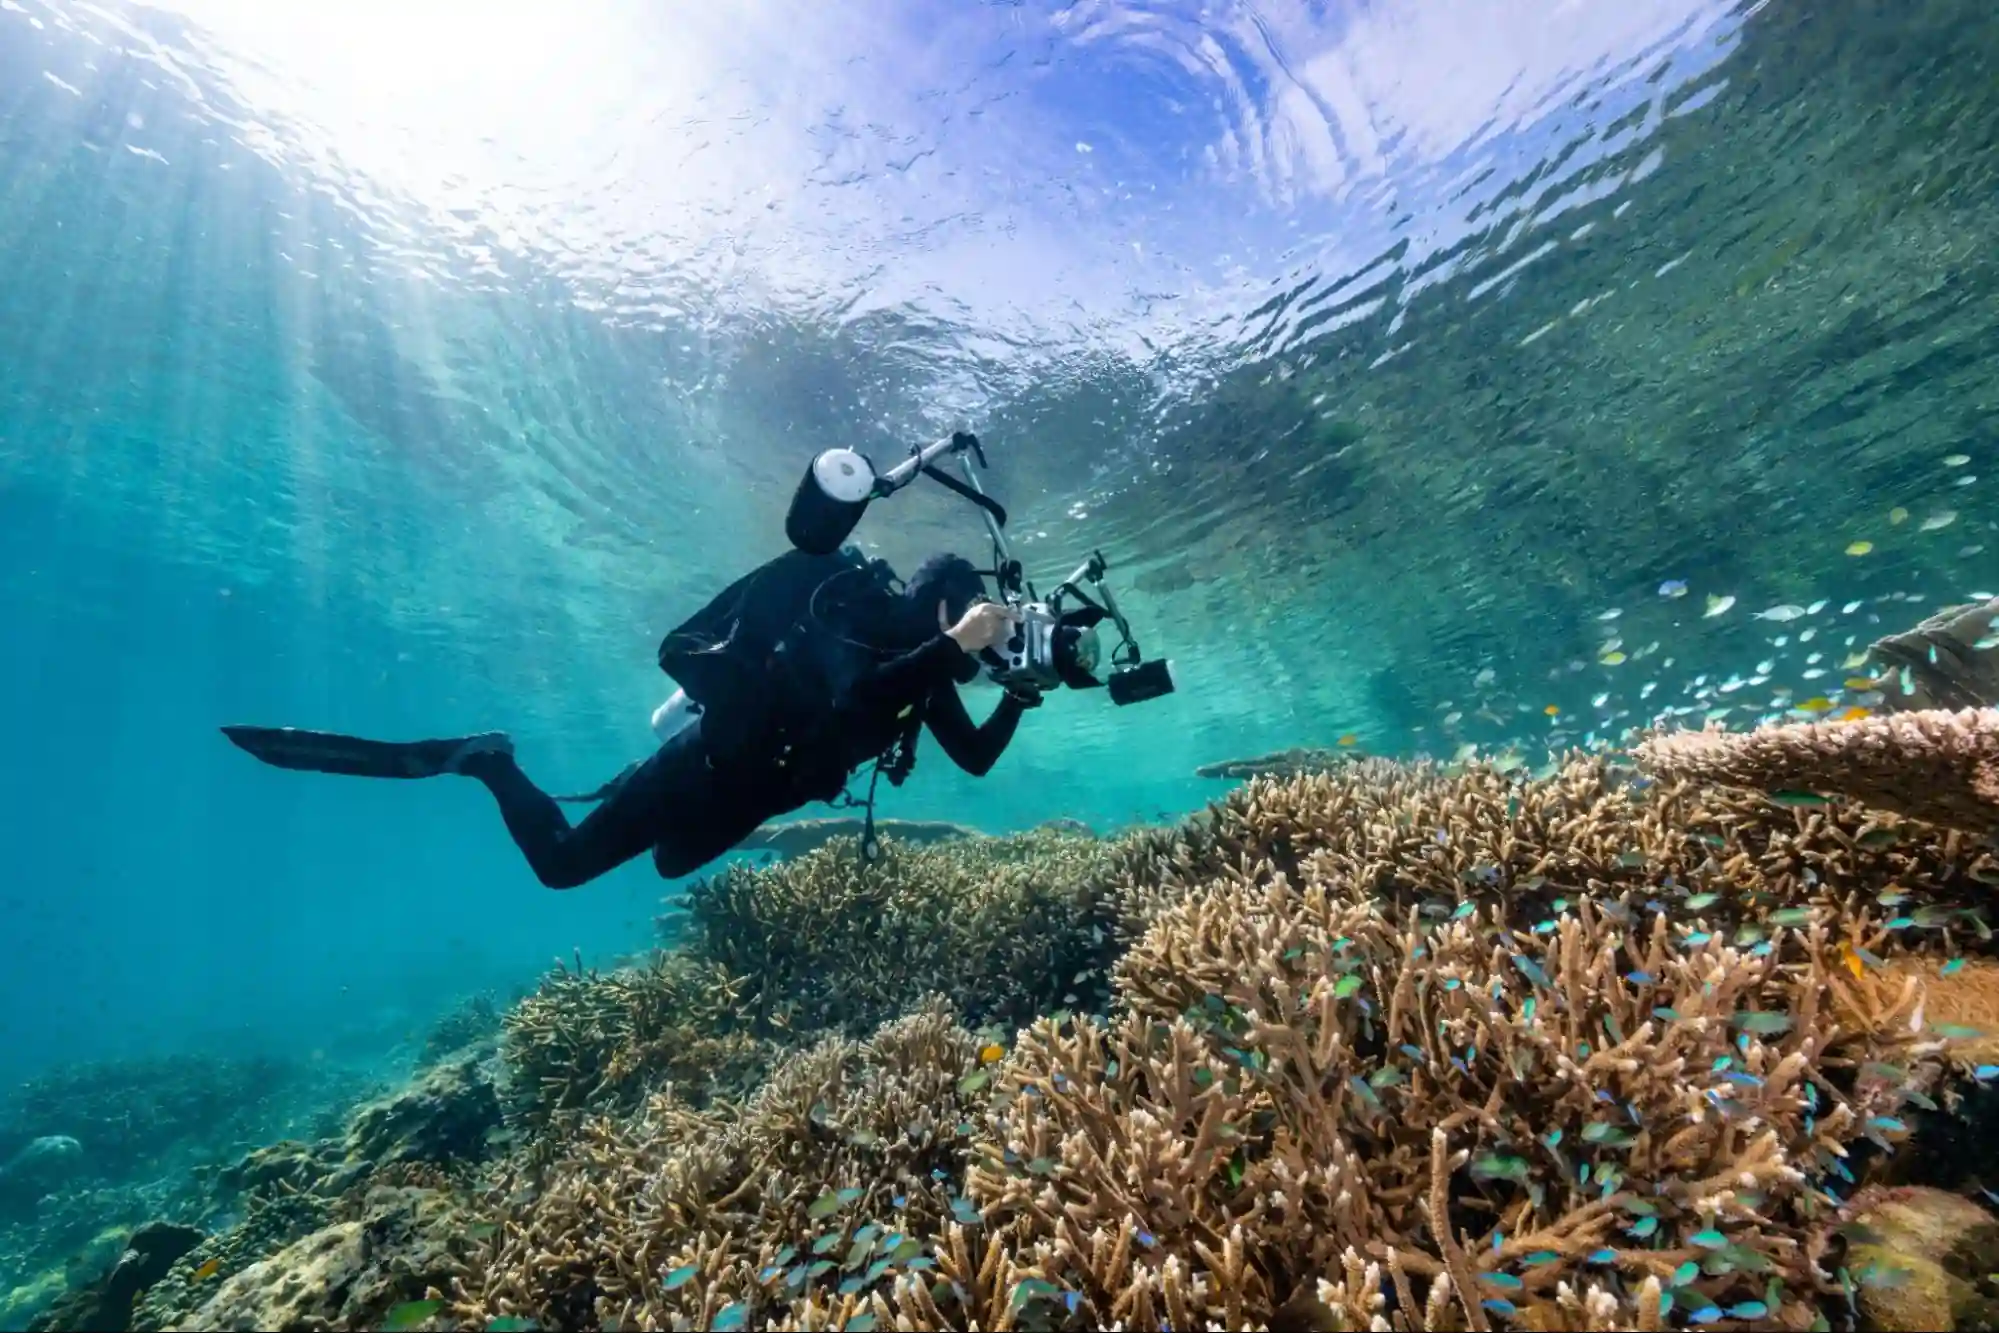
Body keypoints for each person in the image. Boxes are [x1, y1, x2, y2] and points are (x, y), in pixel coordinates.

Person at [221, 548, 1036, 887]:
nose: (980, 641)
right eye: (971, 621)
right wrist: (956, 644)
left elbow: (972, 760)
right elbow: (853, 695)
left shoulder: (927, 675)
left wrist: (1015, 695)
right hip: (703, 767)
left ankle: (527, 774)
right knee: (563, 868)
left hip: (749, 798)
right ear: (939, 606)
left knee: (671, 864)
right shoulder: (852, 621)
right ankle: (490, 761)